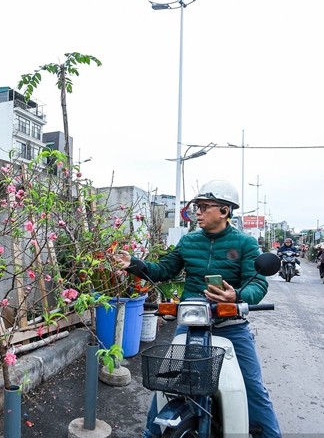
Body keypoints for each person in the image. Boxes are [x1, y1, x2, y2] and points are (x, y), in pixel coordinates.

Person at [114, 179, 281, 438]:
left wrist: (235, 295)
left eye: (204, 207)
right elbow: (165, 269)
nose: (198, 213)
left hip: (231, 325)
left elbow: (258, 284)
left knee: (253, 388)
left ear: (224, 211)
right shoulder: (189, 242)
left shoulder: (245, 244)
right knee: (166, 381)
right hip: (192, 321)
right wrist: (136, 264)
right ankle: (152, 433)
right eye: (196, 207)